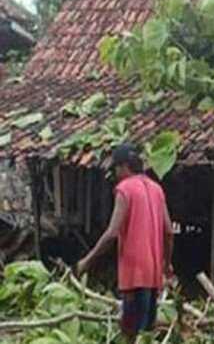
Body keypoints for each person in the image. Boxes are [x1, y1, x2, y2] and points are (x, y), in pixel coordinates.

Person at [76, 143, 173, 341]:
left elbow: (112, 233)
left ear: (124, 167)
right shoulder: (157, 189)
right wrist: (166, 264)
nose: (116, 173)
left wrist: (87, 260)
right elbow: (169, 231)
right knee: (146, 332)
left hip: (133, 272)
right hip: (153, 273)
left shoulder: (124, 189)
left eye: (116, 168)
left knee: (130, 333)